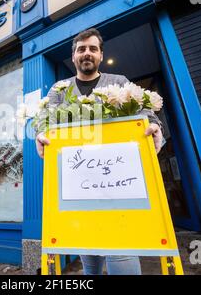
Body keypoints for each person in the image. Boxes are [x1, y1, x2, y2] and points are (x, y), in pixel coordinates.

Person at [35, 28, 164, 275]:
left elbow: (145, 114)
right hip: (78, 183)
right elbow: (44, 119)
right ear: (73, 56)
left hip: (118, 183)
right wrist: (40, 134)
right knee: (89, 254)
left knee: (120, 249)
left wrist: (155, 126)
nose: (87, 53)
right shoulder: (60, 89)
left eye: (93, 49)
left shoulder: (119, 82)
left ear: (101, 55)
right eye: (81, 49)